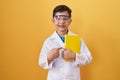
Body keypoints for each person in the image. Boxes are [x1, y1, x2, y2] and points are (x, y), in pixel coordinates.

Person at [39, 5, 92, 80]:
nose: (61, 22)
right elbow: (41, 62)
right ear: (53, 20)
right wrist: (50, 57)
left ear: (70, 21)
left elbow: (88, 58)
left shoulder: (77, 39)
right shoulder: (48, 41)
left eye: (65, 19)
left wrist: (74, 56)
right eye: (58, 18)